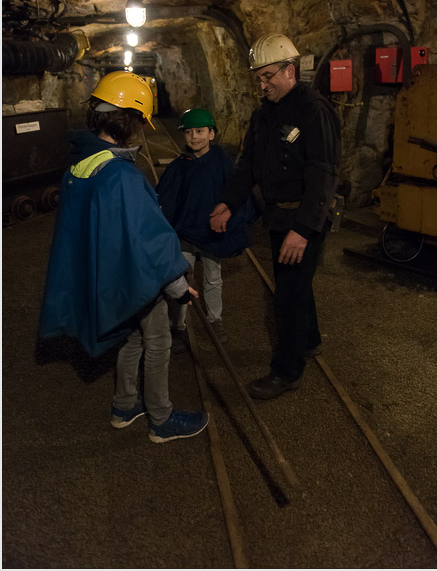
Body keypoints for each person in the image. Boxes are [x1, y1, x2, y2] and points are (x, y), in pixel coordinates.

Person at [38, 71, 209, 443]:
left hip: (110, 275)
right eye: (140, 122)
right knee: (159, 338)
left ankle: (124, 405)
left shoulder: (80, 167)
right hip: (136, 277)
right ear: (129, 121)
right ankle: (161, 419)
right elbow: (147, 238)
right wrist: (178, 283)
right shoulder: (122, 176)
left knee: (132, 337)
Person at [210, 34, 341, 400]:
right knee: (293, 284)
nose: (262, 83)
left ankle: (286, 371)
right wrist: (229, 203)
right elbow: (248, 163)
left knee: (288, 293)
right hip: (278, 218)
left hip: (303, 220)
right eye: (258, 77)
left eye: (267, 75)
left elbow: (323, 174)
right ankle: (309, 340)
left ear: (290, 70)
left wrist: (302, 229)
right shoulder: (264, 114)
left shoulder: (315, 111)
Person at [157, 108, 257, 352]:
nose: (194, 137)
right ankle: (178, 326)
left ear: (211, 134)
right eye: (189, 133)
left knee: (213, 278)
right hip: (184, 234)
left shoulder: (223, 164)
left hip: (211, 235)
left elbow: (237, 194)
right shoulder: (179, 166)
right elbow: (166, 198)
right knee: (180, 279)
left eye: (200, 131)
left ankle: (215, 320)